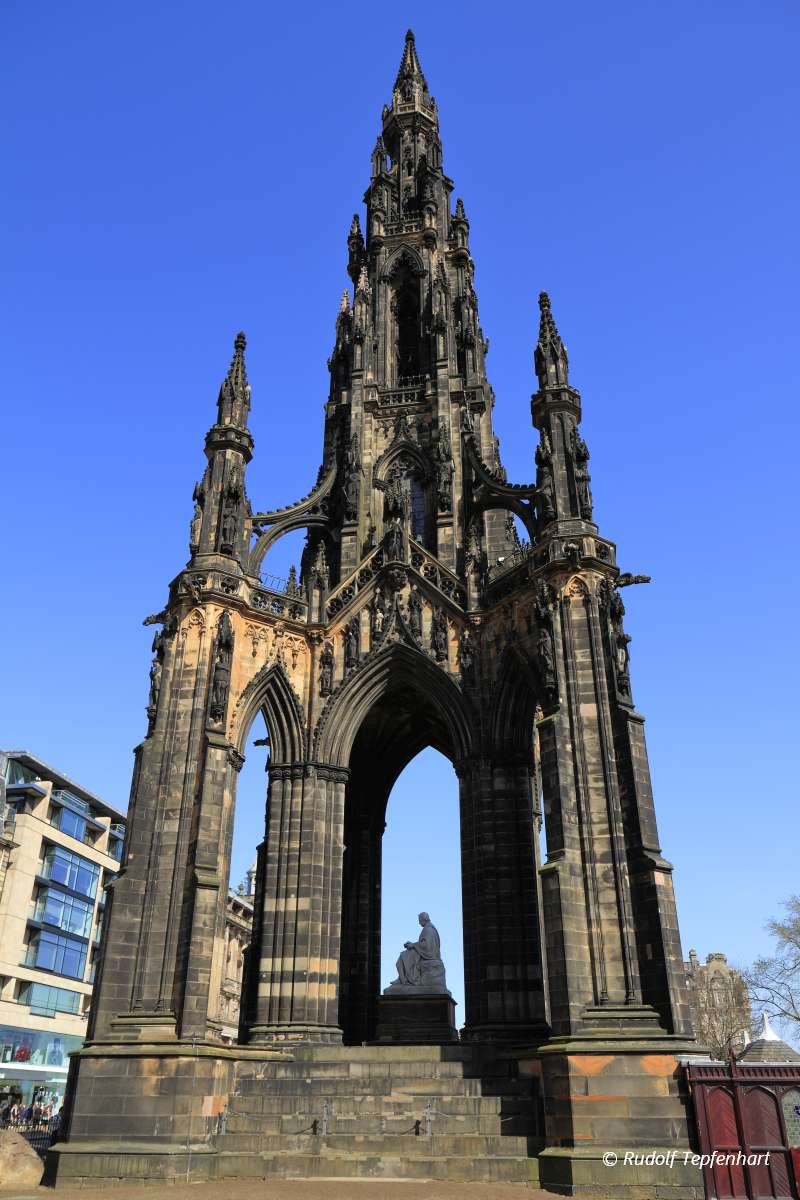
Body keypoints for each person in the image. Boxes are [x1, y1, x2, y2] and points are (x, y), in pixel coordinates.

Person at [390, 912, 448, 992]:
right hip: (423, 952)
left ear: (424, 919)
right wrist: (412, 945)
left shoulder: (429, 929)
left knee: (403, 956)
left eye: (419, 920)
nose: (419, 922)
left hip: (428, 954)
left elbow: (426, 945)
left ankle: (403, 979)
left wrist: (413, 945)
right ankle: (401, 978)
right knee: (405, 955)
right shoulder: (428, 928)